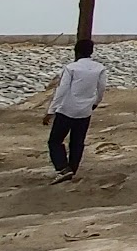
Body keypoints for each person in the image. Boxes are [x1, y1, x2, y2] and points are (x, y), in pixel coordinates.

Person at [45, 40, 108, 184]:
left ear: (76, 51)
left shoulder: (71, 68)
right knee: (77, 142)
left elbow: (62, 90)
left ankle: (63, 168)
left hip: (67, 109)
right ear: (91, 51)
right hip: (85, 111)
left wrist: (51, 110)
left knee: (55, 141)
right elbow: (101, 88)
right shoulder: (100, 68)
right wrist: (96, 103)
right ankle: (72, 169)